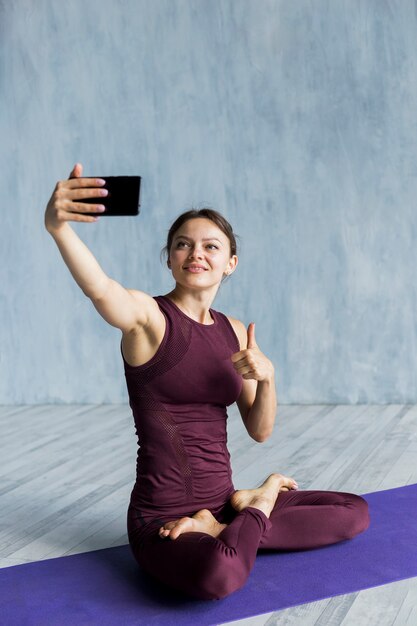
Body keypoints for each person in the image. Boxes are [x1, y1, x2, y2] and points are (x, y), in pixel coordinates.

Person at [45, 163, 370, 601]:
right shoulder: (149, 319)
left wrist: (268, 378)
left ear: (230, 263)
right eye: (183, 244)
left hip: (221, 501)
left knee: (353, 512)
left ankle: (235, 517)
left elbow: (260, 429)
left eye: (210, 246)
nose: (196, 253)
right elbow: (102, 289)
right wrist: (60, 229)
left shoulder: (234, 332)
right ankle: (256, 509)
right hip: (161, 517)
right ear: (170, 258)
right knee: (221, 574)